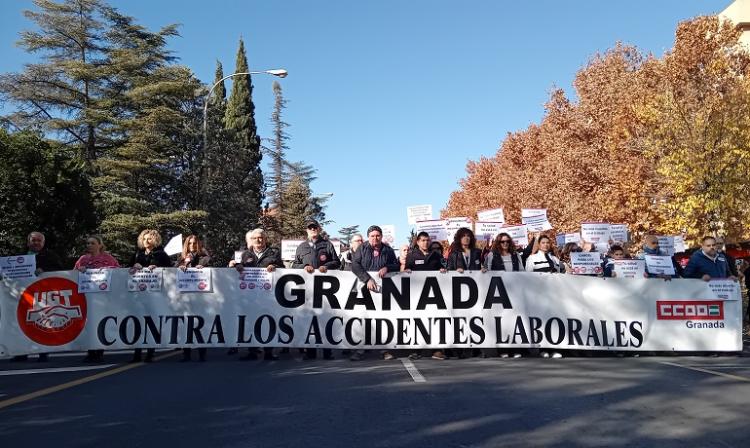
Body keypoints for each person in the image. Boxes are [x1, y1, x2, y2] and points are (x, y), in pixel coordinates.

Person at [230, 229, 283, 360]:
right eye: (255, 238)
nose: (258, 240)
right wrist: (237, 266)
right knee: (251, 322)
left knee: (268, 322)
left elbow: (283, 269)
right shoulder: (246, 254)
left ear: (265, 239)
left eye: (261, 238)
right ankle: (252, 351)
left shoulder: (274, 252)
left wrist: (275, 266)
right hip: (251, 296)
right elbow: (240, 269)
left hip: (268, 295)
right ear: (251, 240)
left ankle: (269, 352)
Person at [11, 232, 64, 362]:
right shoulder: (18, 257)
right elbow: (9, 272)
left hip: (43, 296)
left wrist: (44, 270)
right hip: (22, 295)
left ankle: (43, 352)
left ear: (43, 243)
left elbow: (60, 269)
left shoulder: (51, 256)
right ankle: (20, 353)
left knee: (42, 323)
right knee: (21, 323)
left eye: (39, 241)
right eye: (33, 240)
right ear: (28, 242)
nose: (36, 243)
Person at [350, 225, 400, 361]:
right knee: (364, 319)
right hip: (365, 289)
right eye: (372, 236)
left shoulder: (388, 250)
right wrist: (367, 279)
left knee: (381, 319)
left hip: (382, 292)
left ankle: (384, 350)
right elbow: (355, 265)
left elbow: (396, 265)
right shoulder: (362, 248)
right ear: (368, 237)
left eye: (378, 235)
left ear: (381, 237)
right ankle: (360, 350)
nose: (375, 238)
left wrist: (387, 267)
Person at [292, 219, 340, 360]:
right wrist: (304, 267)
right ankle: (310, 352)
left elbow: (336, 262)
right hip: (307, 290)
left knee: (325, 319)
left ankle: (327, 352)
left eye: (315, 227)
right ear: (306, 230)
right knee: (309, 320)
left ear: (319, 229)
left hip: (326, 290)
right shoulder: (301, 247)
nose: (312, 229)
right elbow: (295, 265)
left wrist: (328, 266)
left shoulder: (327, 244)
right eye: (310, 228)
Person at [75, 235, 120, 362]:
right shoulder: (83, 259)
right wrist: (79, 269)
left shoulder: (108, 258)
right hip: (86, 296)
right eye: (88, 243)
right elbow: (73, 273)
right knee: (89, 323)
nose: (89, 245)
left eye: (92, 243)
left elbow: (118, 271)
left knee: (100, 322)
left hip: (102, 296)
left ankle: (99, 350)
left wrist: (106, 270)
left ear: (100, 245)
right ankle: (90, 351)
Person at [129, 229, 172, 363]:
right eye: (144, 239)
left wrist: (157, 267)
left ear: (155, 240)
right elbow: (127, 270)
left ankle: (151, 352)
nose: (146, 241)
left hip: (155, 295)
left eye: (149, 239)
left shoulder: (162, 254)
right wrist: (133, 266)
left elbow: (170, 271)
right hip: (138, 295)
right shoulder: (137, 254)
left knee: (151, 323)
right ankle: (137, 352)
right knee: (138, 323)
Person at [403, 231, 447, 360]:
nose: (425, 242)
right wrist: (406, 271)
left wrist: (442, 270)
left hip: (434, 295)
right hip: (417, 295)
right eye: (422, 240)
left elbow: (442, 268)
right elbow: (406, 269)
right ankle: (415, 349)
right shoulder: (411, 255)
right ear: (417, 242)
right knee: (417, 321)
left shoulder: (435, 255)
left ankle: (437, 350)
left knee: (435, 321)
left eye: (427, 240)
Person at [176, 235, 211, 362]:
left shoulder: (204, 256)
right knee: (186, 325)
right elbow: (173, 271)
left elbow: (209, 267)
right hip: (185, 298)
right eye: (190, 243)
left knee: (200, 325)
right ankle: (186, 353)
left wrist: (202, 266)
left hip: (201, 297)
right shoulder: (181, 257)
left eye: (194, 243)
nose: (192, 245)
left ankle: (202, 353)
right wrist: (183, 264)